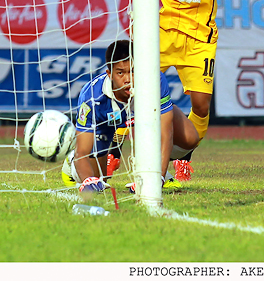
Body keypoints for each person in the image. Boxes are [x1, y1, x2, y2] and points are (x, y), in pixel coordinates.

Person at [159, 0, 251, 181]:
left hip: (200, 38)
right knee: (132, 87)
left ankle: (182, 156)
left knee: (200, 105)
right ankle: (108, 152)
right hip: (163, 31)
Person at [66, 40, 197, 193]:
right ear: (110, 74)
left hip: (142, 121)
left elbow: (165, 134)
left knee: (190, 138)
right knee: (98, 180)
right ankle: (70, 163)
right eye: (120, 73)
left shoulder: (155, 80)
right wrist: (88, 181)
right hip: (105, 126)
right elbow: (82, 152)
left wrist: (158, 178)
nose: (128, 79)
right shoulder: (92, 97)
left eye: (133, 71)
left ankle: (154, 171)